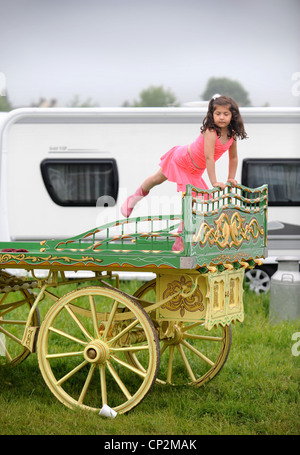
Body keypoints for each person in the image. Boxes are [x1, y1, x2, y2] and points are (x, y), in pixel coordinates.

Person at [121, 94, 248, 218]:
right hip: (183, 160)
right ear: (212, 115)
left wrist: (231, 177)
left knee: (191, 203)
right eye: (218, 114)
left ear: (233, 116)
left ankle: (182, 237)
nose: (221, 117)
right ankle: (133, 199)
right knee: (156, 179)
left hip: (195, 171)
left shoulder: (232, 135)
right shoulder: (211, 131)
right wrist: (214, 182)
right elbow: (209, 158)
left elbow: (233, 158)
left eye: (226, 114)